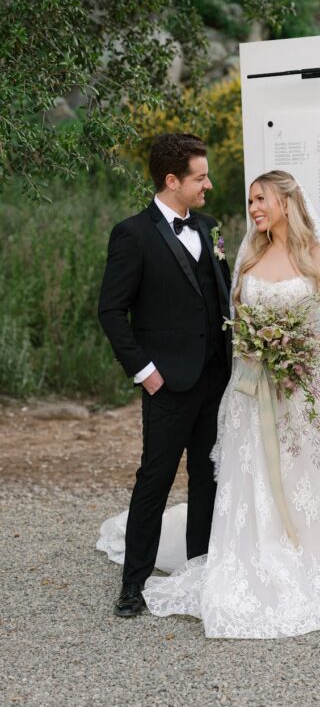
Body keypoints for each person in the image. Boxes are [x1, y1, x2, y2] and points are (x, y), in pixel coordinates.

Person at [98, 169, 320, 637]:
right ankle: (242, 556)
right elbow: (233, 320)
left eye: (261, 199)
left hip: (303, 384)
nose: (253, 210)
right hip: (252, 386)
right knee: (253, 477)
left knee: (301, 474)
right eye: (250, 202)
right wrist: (260, 350)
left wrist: (299, 346)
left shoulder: (319, 256)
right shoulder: (248, 255)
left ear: (287, 202)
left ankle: (307, 558)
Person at [97, 133, 231, 618]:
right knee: (154, 480)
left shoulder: (210, 228)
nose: (208, 185)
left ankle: (199, 571)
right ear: (172, 180)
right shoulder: (132, 234)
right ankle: (132, 585)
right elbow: (111, 311)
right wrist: (145, 372)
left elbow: (220, 299)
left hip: (215, 379)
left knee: (207, 478)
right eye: (200, 177)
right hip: (166, 383)